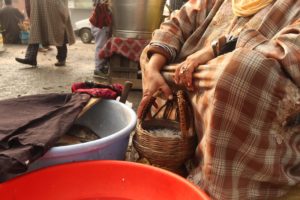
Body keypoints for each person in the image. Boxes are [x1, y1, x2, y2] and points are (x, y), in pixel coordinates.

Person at [137, 0, 300, 199]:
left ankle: (218, 187)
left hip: (239, 81)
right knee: (159, 66)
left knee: (242, 72)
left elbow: (291, 48)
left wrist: (217, 48)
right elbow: (178, 22)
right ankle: (177, 158)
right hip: (186, 75)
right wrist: (153, 67)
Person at [15, 0, 75, 67]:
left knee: (58, 30)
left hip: (54, 8)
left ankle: (62, 58)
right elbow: (28, 4)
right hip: (39, 9)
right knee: (35, 32)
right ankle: (30, 57)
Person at [90, 0, 112, 78]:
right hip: (100, 23)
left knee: (103, 46)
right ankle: (98, 69)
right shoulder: (100, 4)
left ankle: (102, 67)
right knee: (101, 46)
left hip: (101, 22)